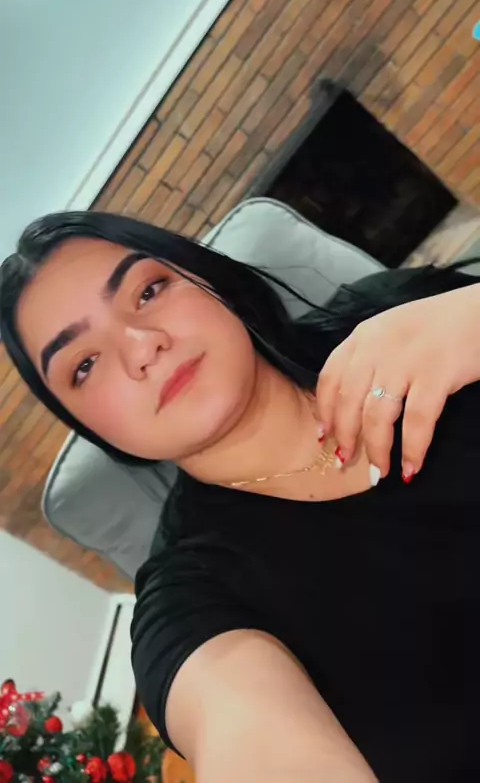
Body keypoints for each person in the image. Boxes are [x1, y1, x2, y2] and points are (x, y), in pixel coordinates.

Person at [2, 210, 480, 783]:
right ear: (91, 428)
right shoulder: (192, 600)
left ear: (205, 278)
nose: (142, 347)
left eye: (148, 291)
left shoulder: (396, 317)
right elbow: (238, 720)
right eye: (84, 365)